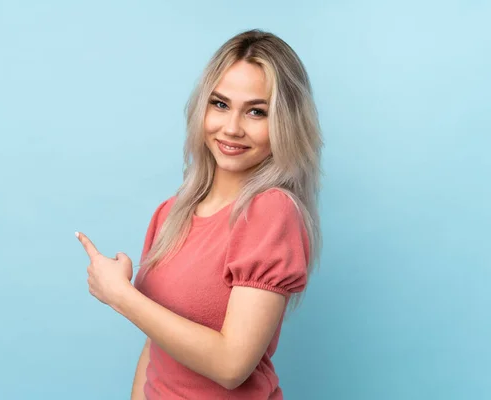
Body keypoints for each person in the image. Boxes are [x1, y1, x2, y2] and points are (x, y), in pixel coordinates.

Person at [75, 28, 323, 399]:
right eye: (220, 104)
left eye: (256, 111)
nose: (232, 128)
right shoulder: (171, 213)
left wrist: (121, 296)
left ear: (284, 124)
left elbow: (230, 366)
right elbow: (158, 346)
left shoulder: (271, 212)